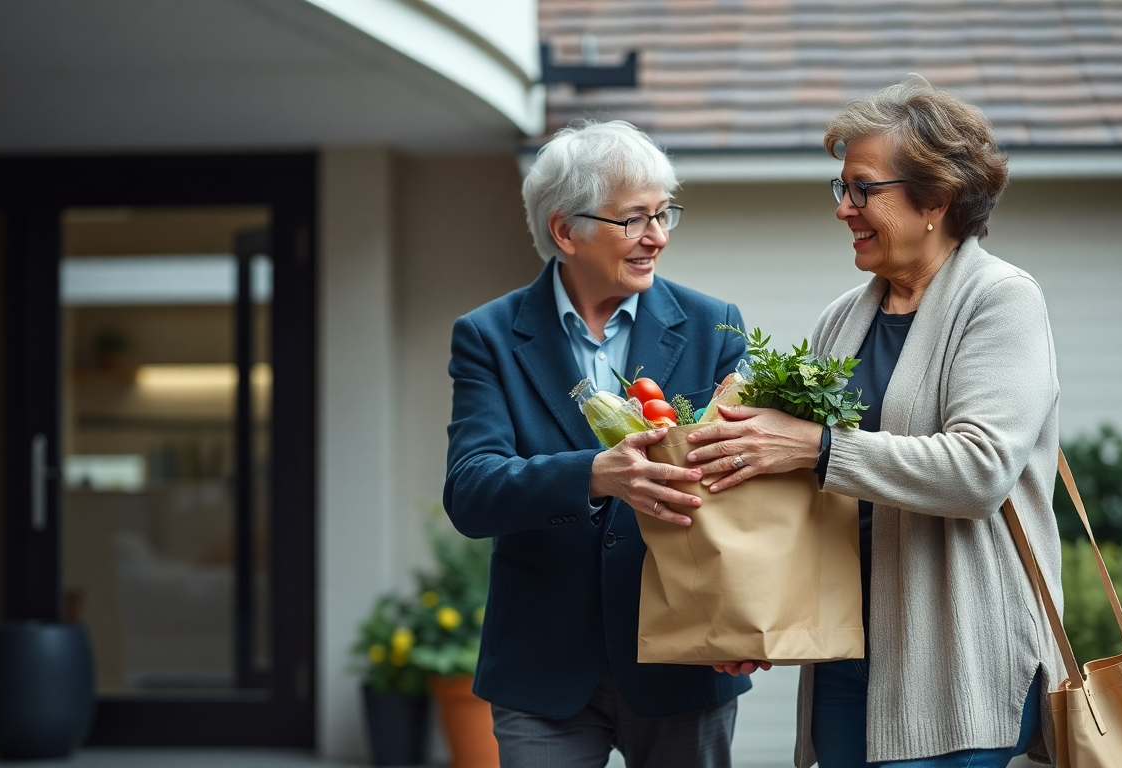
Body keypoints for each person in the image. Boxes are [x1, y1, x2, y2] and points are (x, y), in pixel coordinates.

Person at [684, 75, 1065, 767]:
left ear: (935, 200)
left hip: (956, 658)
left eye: (863, 189)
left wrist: (817, 445)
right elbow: (807, 490)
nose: (844, 209)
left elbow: (979, 473)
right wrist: (759, 614)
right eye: (841, 189)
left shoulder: (1001, 302)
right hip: (844, 649)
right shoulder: (844, 317)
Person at [443, 119, 752, 768]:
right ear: (565, 230)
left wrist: (743, 612)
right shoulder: (489, 336)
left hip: (686, 654)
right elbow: (471, 491)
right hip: (541, 667)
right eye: (636, 219)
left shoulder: (715, 325)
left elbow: (742, 487)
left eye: (666, 214)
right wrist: (594, 474)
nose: (658, 236)